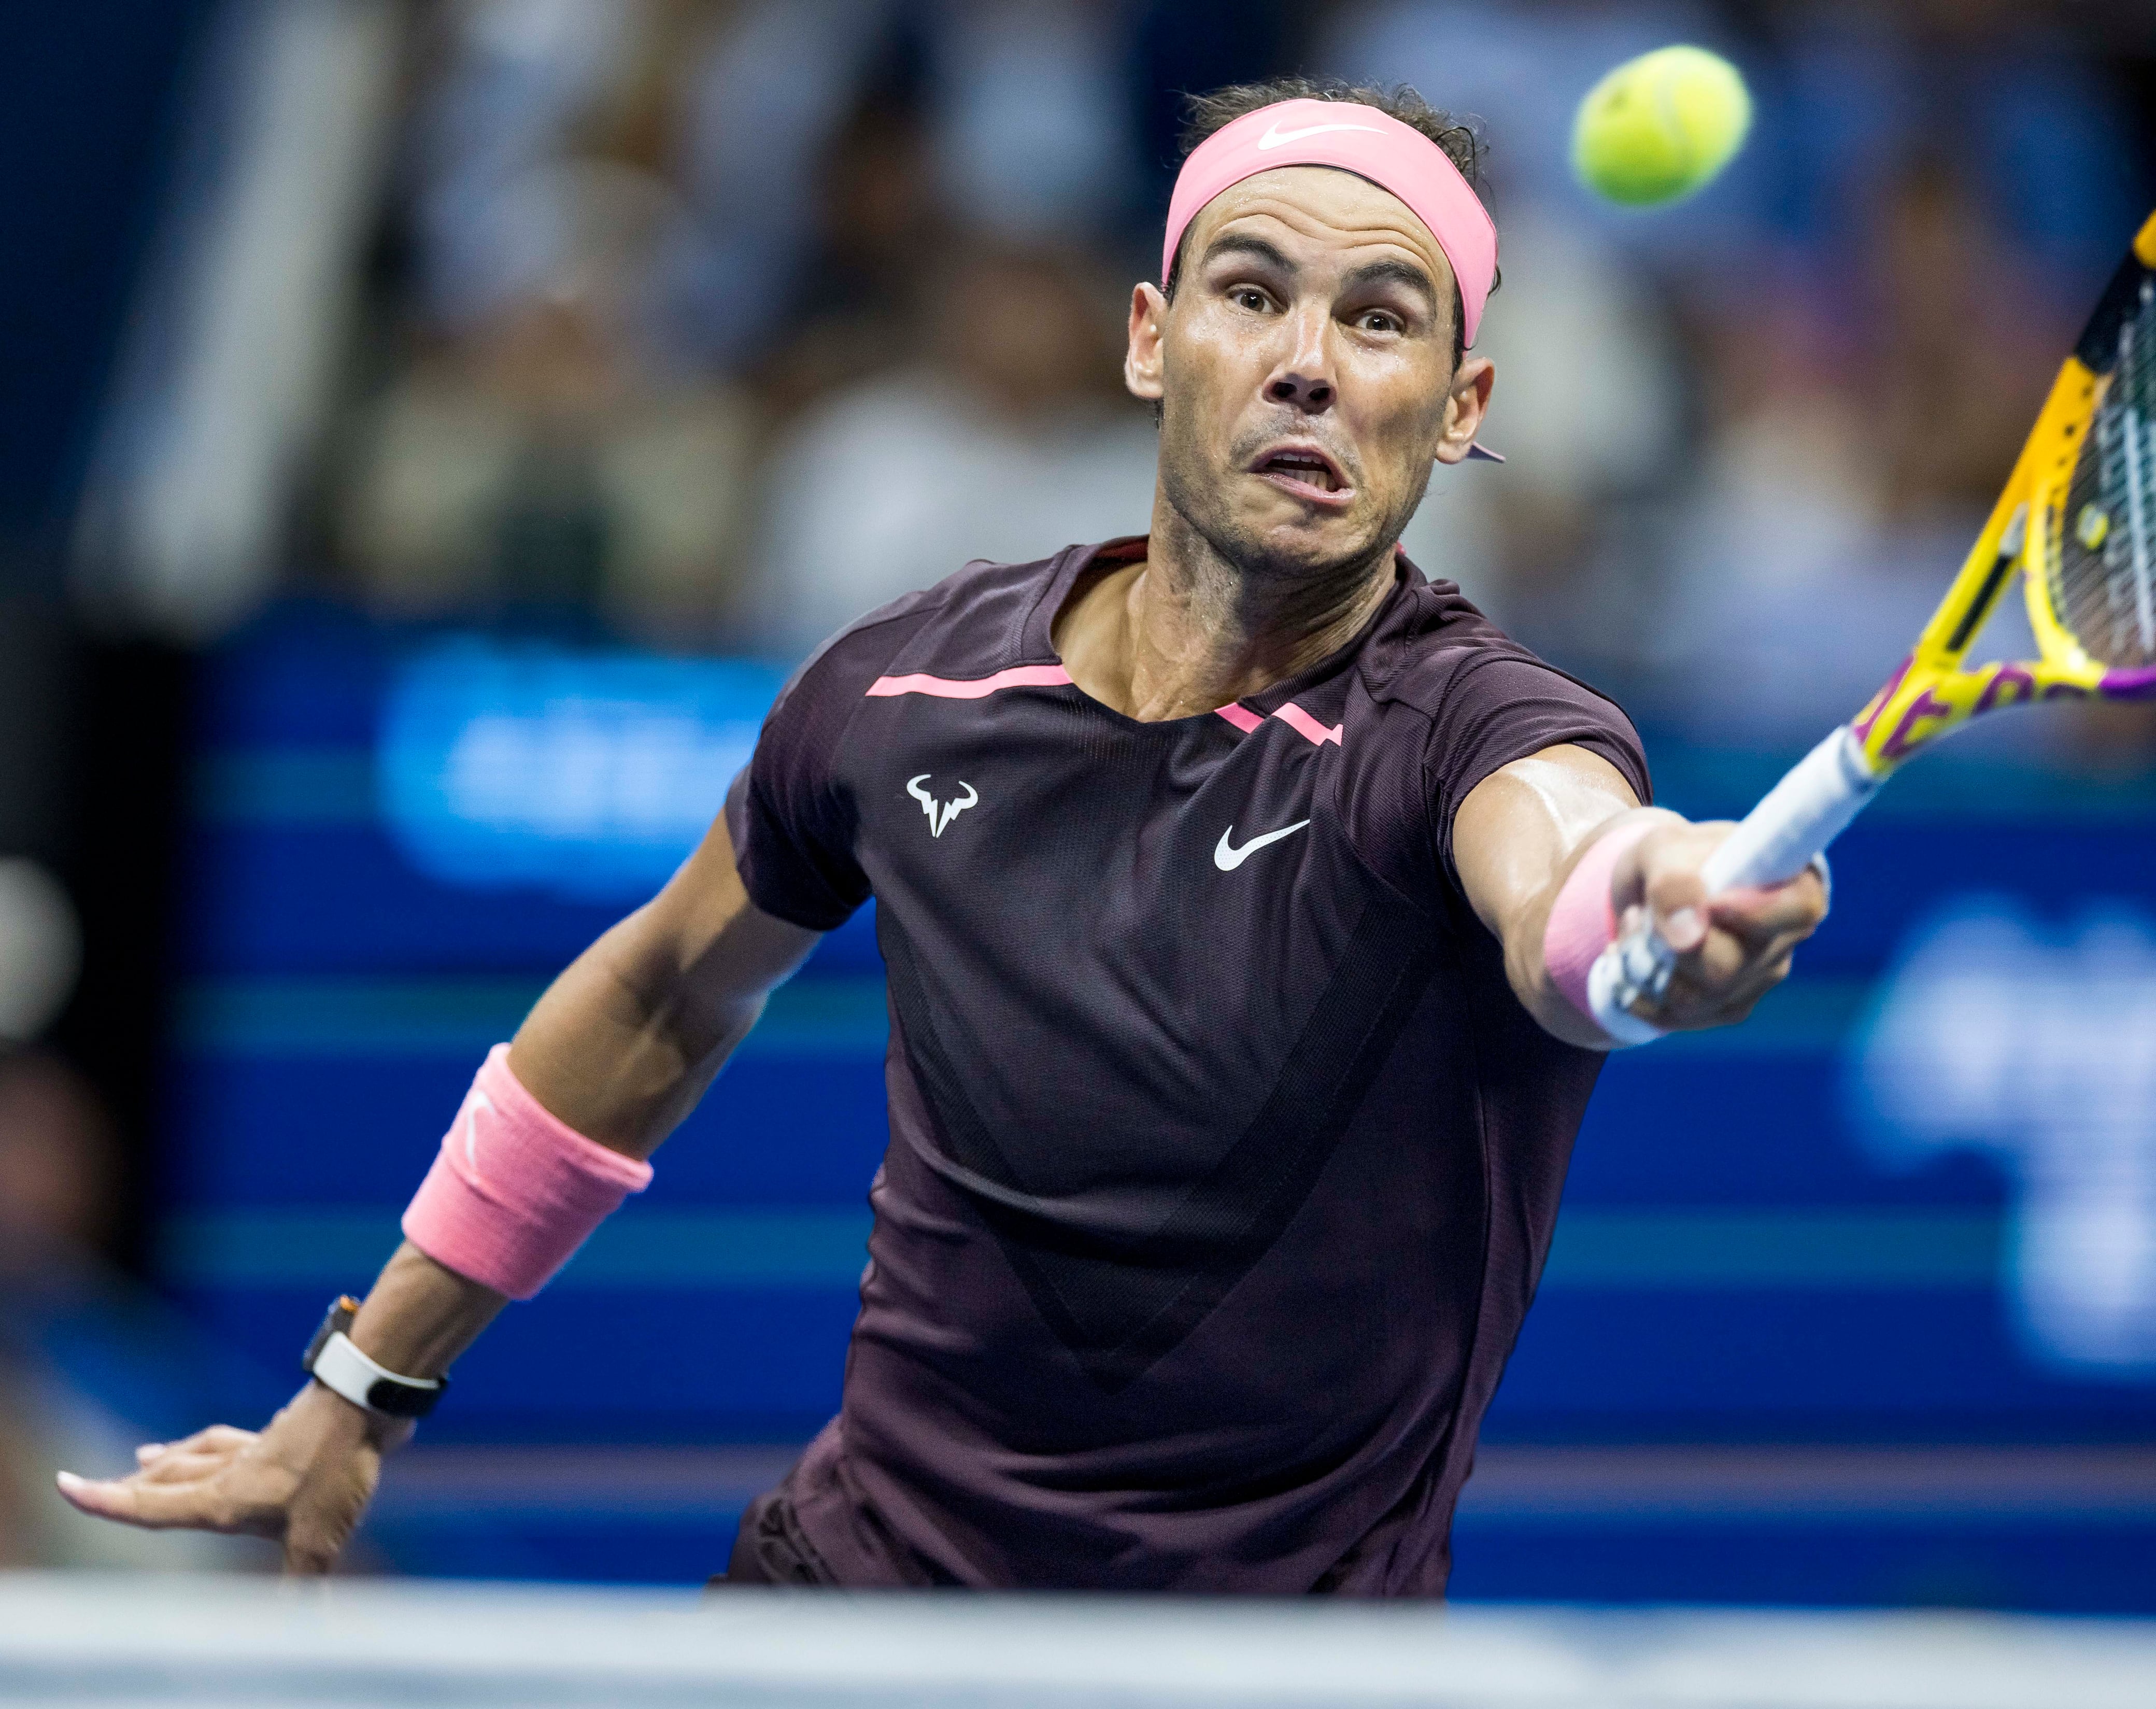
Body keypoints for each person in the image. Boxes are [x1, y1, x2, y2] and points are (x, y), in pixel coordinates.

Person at [58, 78, 1827, 1593]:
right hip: (848, 1616)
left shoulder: (1468, 732)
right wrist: (360, 1386)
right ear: (1152, 339)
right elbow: (666, 993)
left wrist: (1651, 910)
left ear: (1461, 405)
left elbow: (1572, 882)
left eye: (1380, 319)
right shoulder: (908, 689)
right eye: (1251, 292)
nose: (1305, 363)